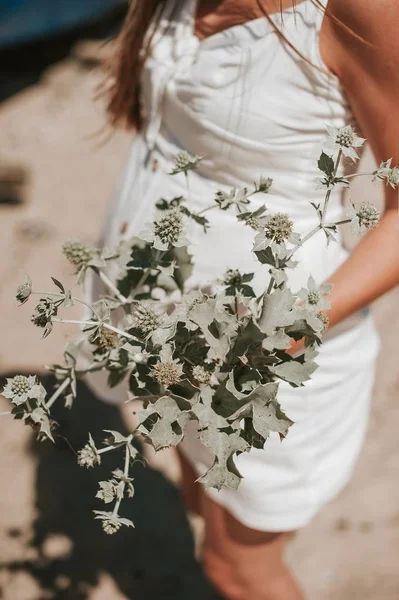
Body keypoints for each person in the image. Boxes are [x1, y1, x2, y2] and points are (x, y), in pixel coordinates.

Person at [96, 1, 399, 598]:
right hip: (159, 316)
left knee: (237, 567)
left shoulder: (358, 10)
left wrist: (267, 342)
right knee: (198, 496)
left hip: (266, 352)